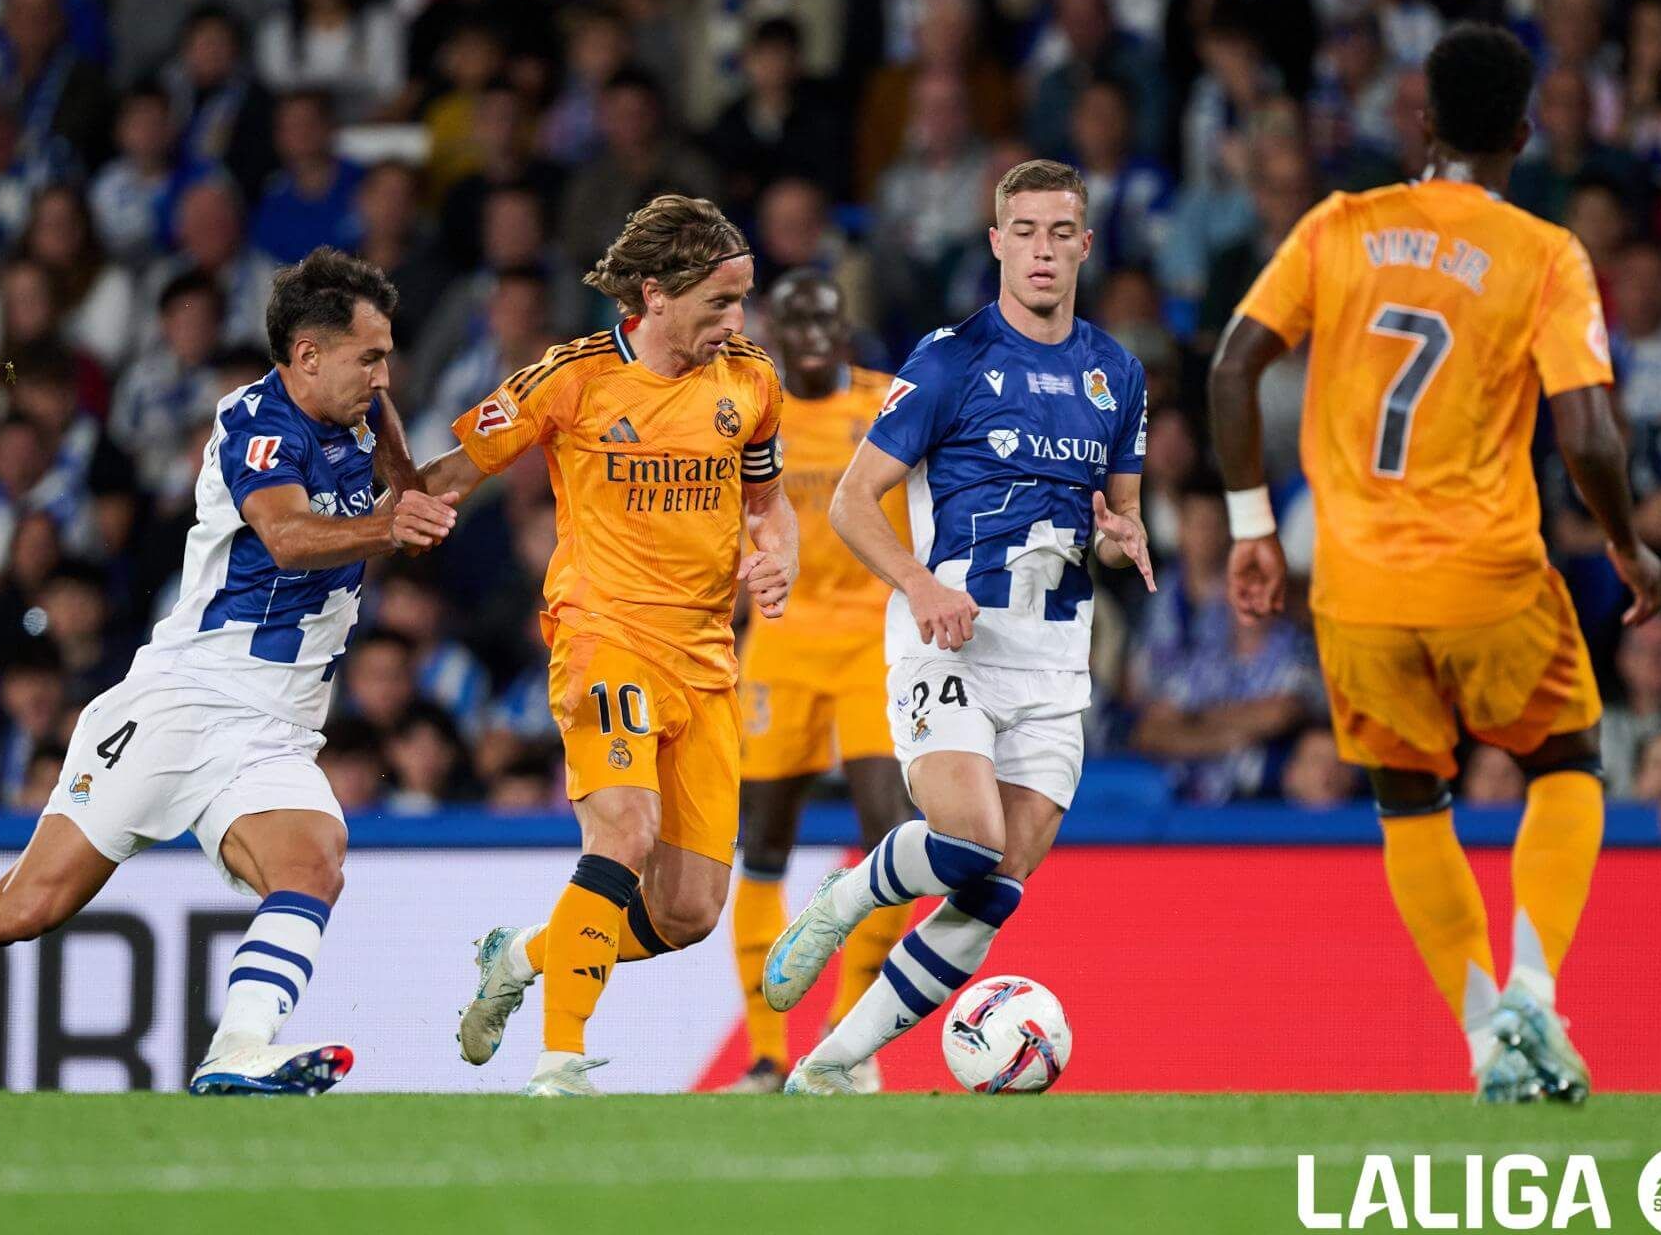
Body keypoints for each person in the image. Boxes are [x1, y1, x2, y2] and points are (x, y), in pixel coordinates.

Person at [0, 249, 457, 1095]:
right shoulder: (256, 423)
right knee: (28, 905)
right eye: (370, 357)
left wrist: (514, 425)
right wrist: (389, 525)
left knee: (314, 862)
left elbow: (413, 492)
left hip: (274, 730)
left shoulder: (361, 413)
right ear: (307, 355)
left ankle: (236, 1050)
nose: (385, 375)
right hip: (183, 706)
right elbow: (289, 537)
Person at [1206, 24, 1661, 1104]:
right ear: (1521, 134)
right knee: (1566, 759)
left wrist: (1253, 528)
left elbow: (1230, 369)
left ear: (1422, 123)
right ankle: (1533, 993)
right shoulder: (1545, 254)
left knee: (1409, 800)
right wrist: (1624, 541)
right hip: (1486, 576)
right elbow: (1589, 434)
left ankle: (1482, 1041)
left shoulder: (1338, 225)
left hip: (1356, 587)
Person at [764, 158, 1154, 1094]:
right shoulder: (950, 358)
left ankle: (830, 1064)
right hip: (951, 644)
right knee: (969, 839)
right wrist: (918, 584)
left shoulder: (1118, 373)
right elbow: (852, 501)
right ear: (996, 243)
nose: (1042, 251)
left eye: (1059, 233)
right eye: (1024, 232)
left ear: (1085, 244)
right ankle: (849, 893)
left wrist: (1121, 538)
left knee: (992, 890)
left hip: (1054, 669)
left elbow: (1120, 520)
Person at [437, 194, 797, 1097]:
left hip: (705, 660)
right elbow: (452, 473)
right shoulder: (573, 377)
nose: (736, 320)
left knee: (688, 912)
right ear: (655, 295)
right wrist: (377, 500)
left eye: (742, 299)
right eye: (719, 302)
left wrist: (776, 554)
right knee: (624, 829)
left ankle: (522, 955)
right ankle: (559, 1061)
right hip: (605, 637)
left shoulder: (751, 380)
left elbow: (767, 501)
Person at [721, 269, 915, 1095]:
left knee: (891, 837)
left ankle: (846, 1037)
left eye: (823, 321)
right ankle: (768, 1056)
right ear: (772, 330)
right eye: (794, 322)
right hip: (782, 643)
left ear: (844, 328)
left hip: (876, 643)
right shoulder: (747, 412)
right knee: (763, 846)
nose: (809, 336)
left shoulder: (891, 403)